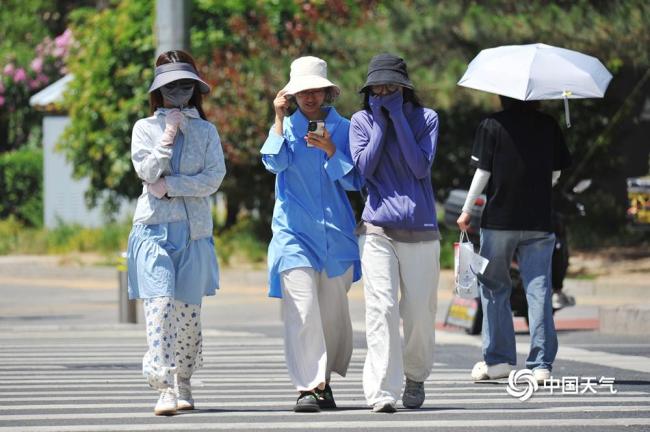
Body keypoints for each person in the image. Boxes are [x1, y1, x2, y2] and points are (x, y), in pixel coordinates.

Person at [260, 56, 362, 413]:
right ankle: (308, 386)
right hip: (292, 234)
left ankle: (324, 383)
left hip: (336, 235)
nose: (310, 96)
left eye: (315, 89)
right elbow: (274, 163)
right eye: (302, 91)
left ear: (326, 92)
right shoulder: (285, 128)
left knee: (332, 316)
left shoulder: (345, 127)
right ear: (291, 95)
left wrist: (332, 151)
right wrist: (277, 118)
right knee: (302, 310)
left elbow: (356, 181)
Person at [127, 50, 226, 415]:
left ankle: (184, 379)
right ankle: (163, 386)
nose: (178, 93)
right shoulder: (144, 128)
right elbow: (147, 173)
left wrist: (173, 186)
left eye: (185, 86)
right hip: (153, 230)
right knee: (160, 307)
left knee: (187, 315)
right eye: (170, 87)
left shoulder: (206, 130)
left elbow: (213, 179)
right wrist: (167, 133)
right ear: (158, 91)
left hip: (194, 233)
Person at [457, 96, 571, 384]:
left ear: (503, 95)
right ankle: (541, 364)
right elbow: (556, 173)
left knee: (495, 288)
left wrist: (467, 209)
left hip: (499, 221)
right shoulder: (549, 125)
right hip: (540, 221)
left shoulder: (491, 125)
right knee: (539, 289)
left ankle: (499, 361)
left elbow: (483, 171)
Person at [349, 53, 441, 413]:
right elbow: (365, 169)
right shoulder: (359, 121)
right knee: (381, 309)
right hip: (378, 230)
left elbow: (419, 166)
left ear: (405, 88)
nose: (384, 91)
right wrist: (381, 123)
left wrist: (399, 117)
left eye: (391, 86)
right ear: (369, 90)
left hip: (421, 229)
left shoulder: (426, 118)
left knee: (419, 312)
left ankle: (415, 376)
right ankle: (382, 390)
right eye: (378, 86)